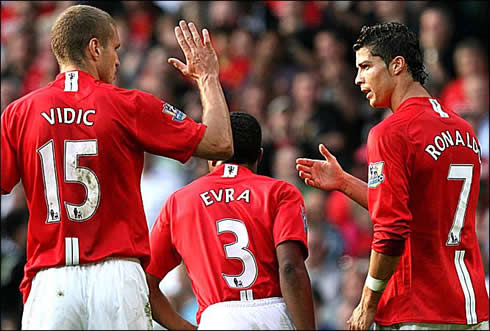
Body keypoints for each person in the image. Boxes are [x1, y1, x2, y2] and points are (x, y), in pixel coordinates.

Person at [0, 4, 233, 330]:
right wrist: (207, 77)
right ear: (95, 47)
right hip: (116, 276)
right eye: (115, 48)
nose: (119, 59)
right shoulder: (128, 104)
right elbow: (221, 143)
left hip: (50, 282)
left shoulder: (17, 113)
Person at [296, 22, 489, 330]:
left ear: (397, 65)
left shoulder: (391, 132)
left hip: (418, 308)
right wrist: (345, 182)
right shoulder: (463, 130)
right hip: (470, 307)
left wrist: (367, 302)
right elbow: (415, 208)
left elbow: (392, 229)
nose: (358, 79)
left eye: (366, 66)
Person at [146, 112, 316, 330]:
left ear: (211, 153)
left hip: (218, 319)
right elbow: (291, 268)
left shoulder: (179, 201)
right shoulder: (281, 192)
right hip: (275, 315)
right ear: (259, 156)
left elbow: (145, 283)